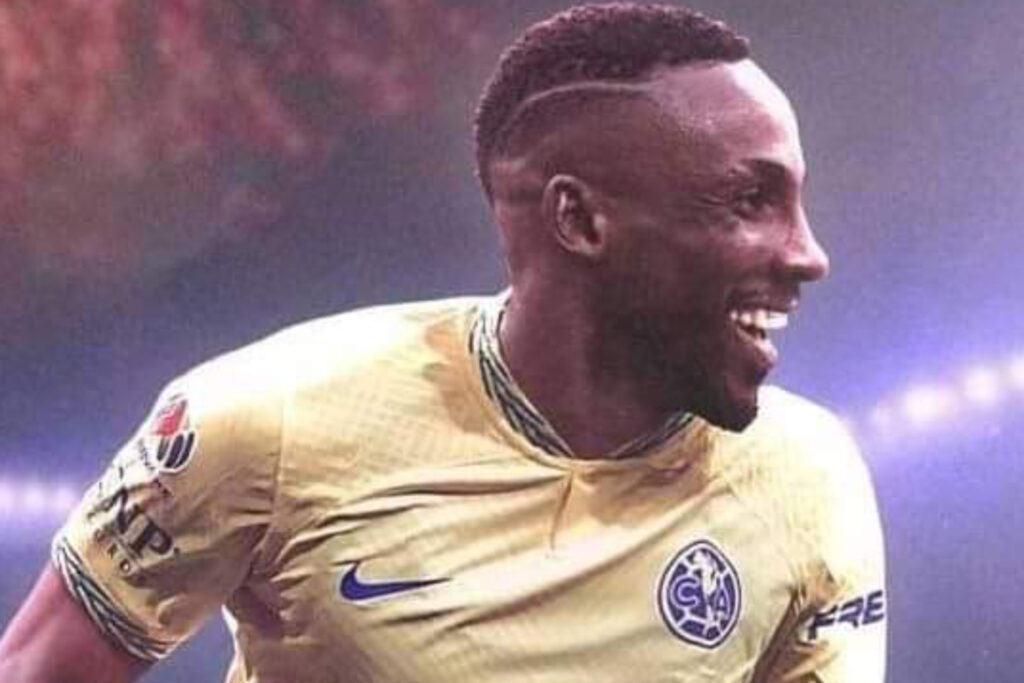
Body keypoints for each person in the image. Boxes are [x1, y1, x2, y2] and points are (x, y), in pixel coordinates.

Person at [0, 4, 887, 682]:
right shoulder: (264, 422)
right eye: (750, 200)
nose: (808, 255)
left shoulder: (805, 476)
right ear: (580, 219)